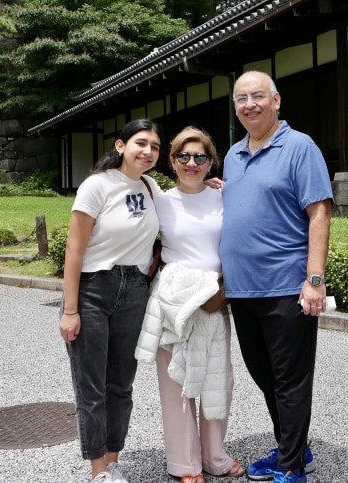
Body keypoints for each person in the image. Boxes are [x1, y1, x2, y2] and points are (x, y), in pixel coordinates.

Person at [219, 71, 333, 483]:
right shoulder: (233, 156)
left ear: (277, 100)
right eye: (241, 98)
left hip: (286, 287)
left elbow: (319, 212)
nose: (249, 104)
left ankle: (290, 468)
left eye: (257, 96)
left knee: (290, 381)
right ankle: (295, 448)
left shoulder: (300, 147)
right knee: (264, 376)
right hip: (242, 289)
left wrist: (314, 280)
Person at [134, 126, 244, 483]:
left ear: (211, 162)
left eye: (200, 157)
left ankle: (214, 456)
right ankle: (184, 464)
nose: (192, 163)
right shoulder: (159, 199)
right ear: (172, 161)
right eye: (184, 156)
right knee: (176, 385)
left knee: (218, 380)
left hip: (213, 299)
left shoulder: (225, 196)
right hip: (173, 301)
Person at [59, 119, 163, 483]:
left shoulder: (151, 187)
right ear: (120, 146)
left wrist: (215, 188)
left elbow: (182, 207)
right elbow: (74, 249)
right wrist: (70, 310)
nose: (147, 151)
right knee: (92, 386)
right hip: (93, 290)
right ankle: (98, 469)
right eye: (140, 143)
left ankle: (113, 459)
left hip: (135, 290)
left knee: (121, 384)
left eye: (154, 146)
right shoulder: (97, 186)